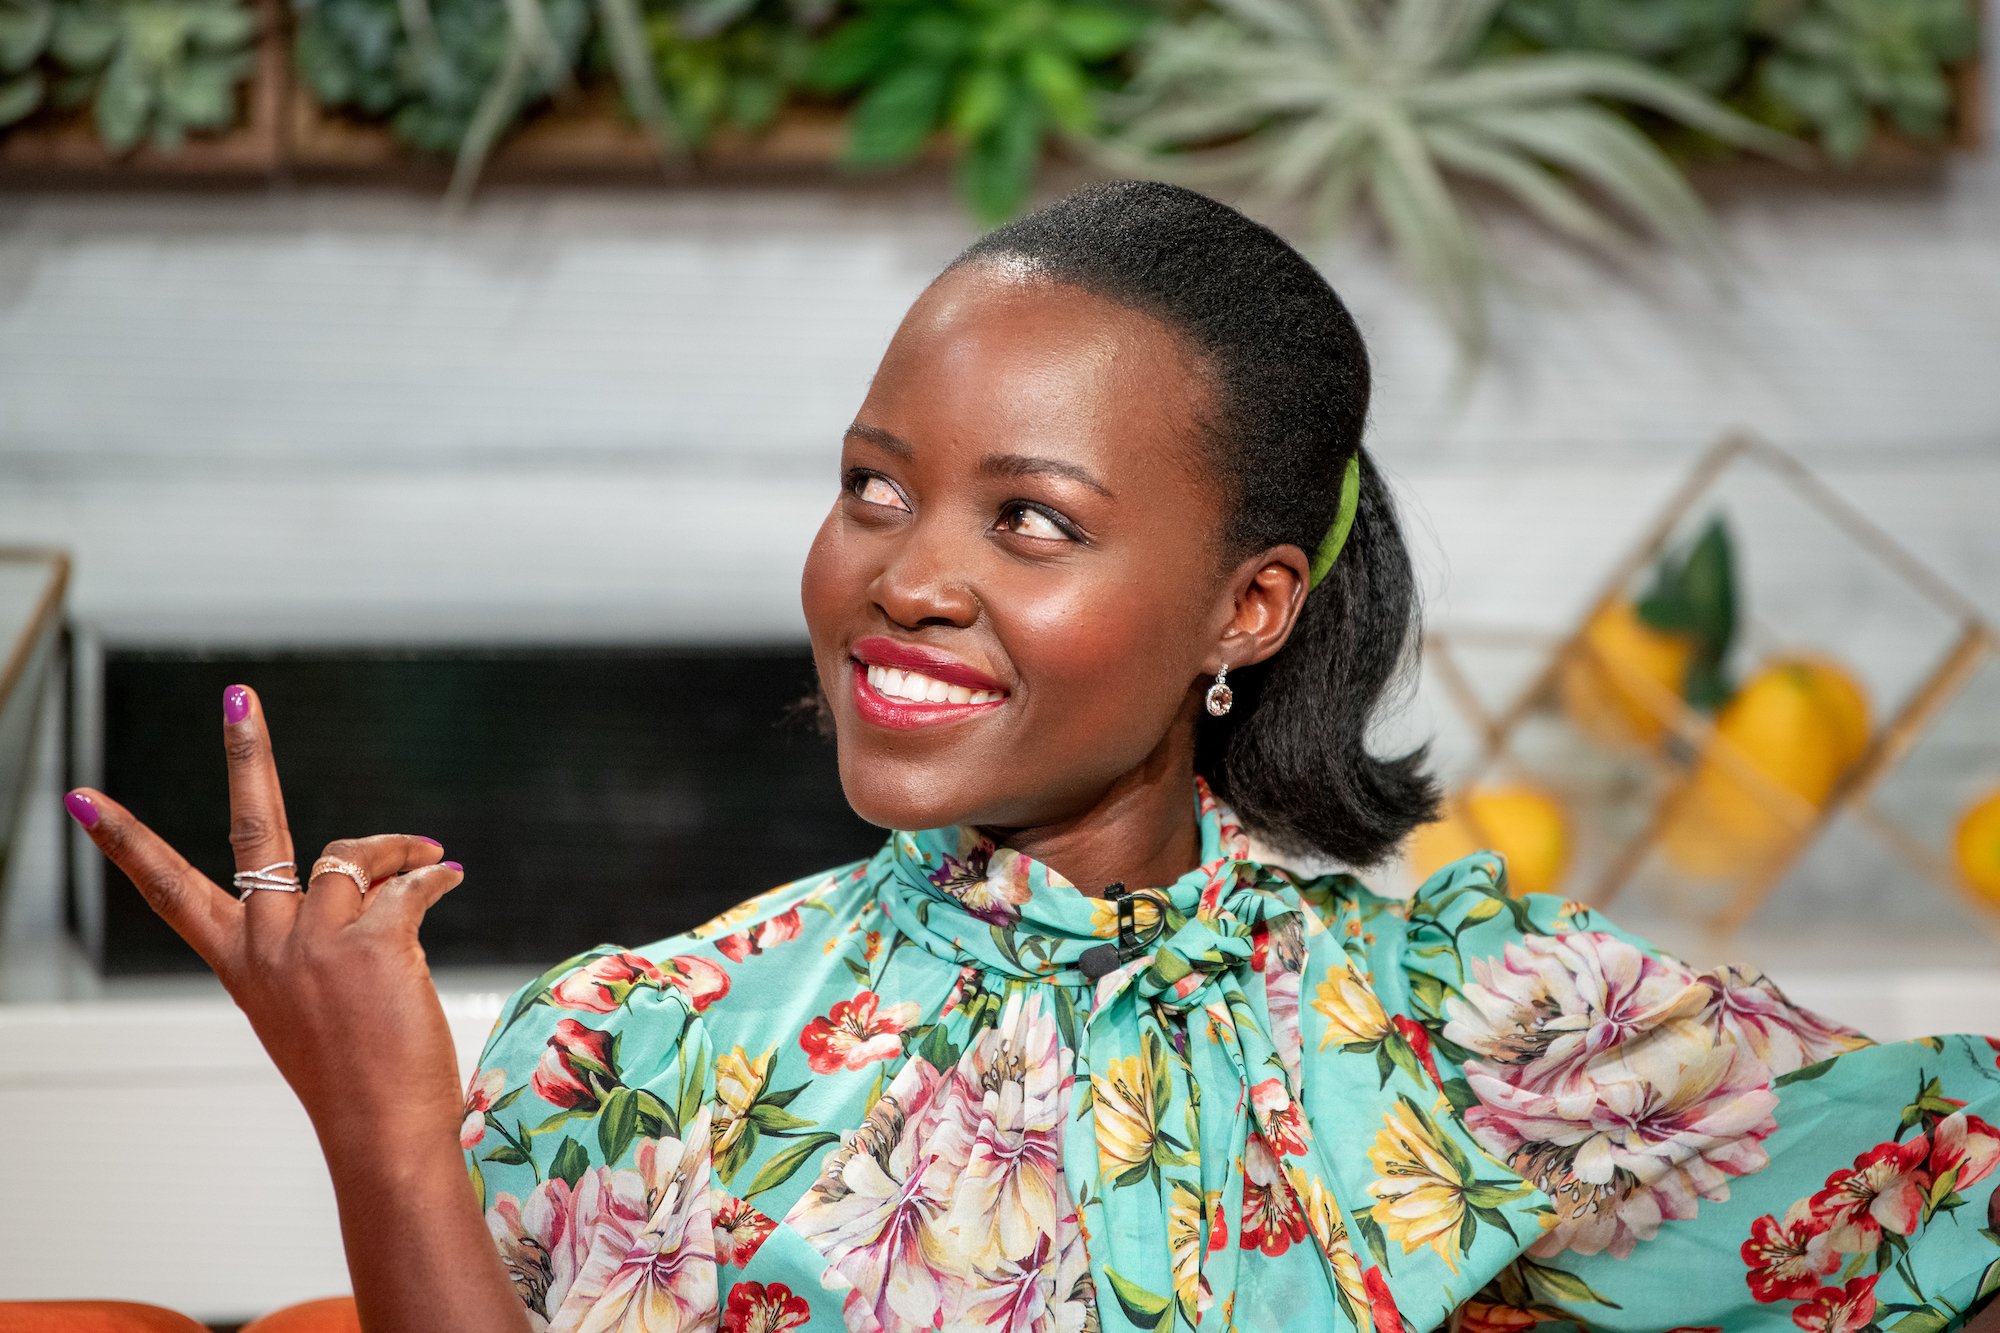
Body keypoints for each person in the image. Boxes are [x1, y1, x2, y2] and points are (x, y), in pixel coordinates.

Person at [64, 180, 2000, 1333]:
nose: (903, 577)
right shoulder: (641, 1046)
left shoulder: (1477, 1025)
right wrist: (383, 1130)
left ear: (1247, 606)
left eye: (1031, 520)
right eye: (873, 486)